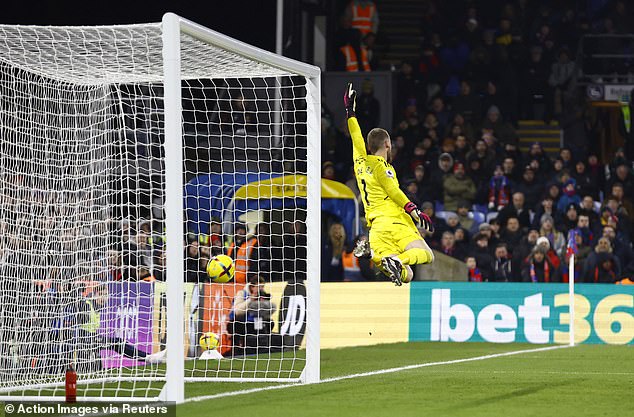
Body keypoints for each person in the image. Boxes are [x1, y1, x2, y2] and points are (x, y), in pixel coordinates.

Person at [344, 83, 434, 285]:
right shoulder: (383, 167)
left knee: (408, 275)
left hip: (375, 227)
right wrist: (413, 210)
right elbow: (392, 189)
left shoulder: (360, 162)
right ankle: (396, 259)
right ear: (387, 144)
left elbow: (355, 137)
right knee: (426, 254)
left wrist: (351, 112)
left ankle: (373, 253)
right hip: (393, 220)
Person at [228, 274, 277, 356]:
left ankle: (264, 346)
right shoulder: (242, 293)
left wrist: (263, 303)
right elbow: (238, 311)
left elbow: (268, 314)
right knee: (236, 325)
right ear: (252, 287)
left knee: (270, 322)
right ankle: (239, 350)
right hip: (241, 322)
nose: (261, 289)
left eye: (262, 287)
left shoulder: (262, 295)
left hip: (256, 322)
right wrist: (250, 299)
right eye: (259, 287)